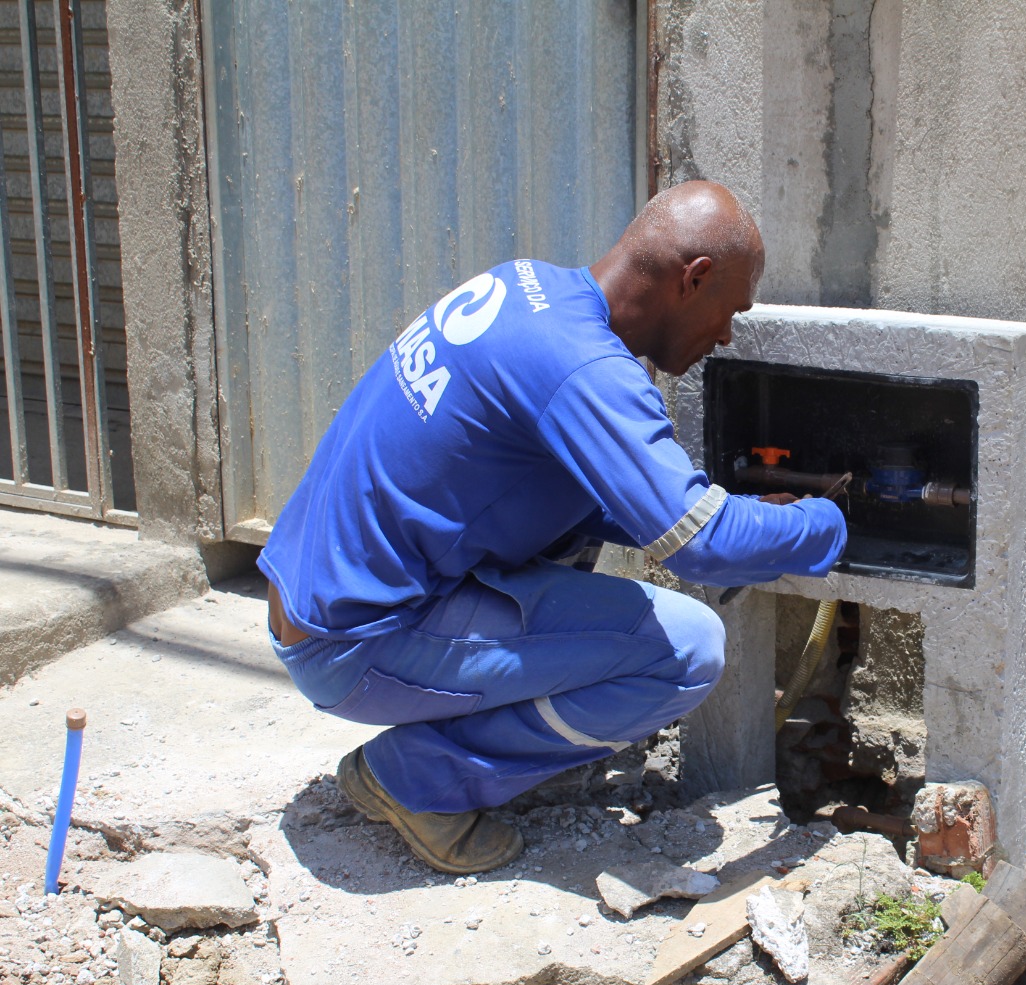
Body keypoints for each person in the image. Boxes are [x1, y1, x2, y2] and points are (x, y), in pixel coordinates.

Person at [258, 181, 846, 874]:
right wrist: (830, 524)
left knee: (575, 517)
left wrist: (719, 513)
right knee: (688, 651)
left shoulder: (526, 288)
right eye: (730, 312)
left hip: (306, 597)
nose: (725, 336)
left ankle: (502, 743)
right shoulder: (585, 370)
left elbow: (591, 499)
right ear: (695, 279)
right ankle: (413, 778)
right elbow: (702, 546)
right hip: (353, 645)